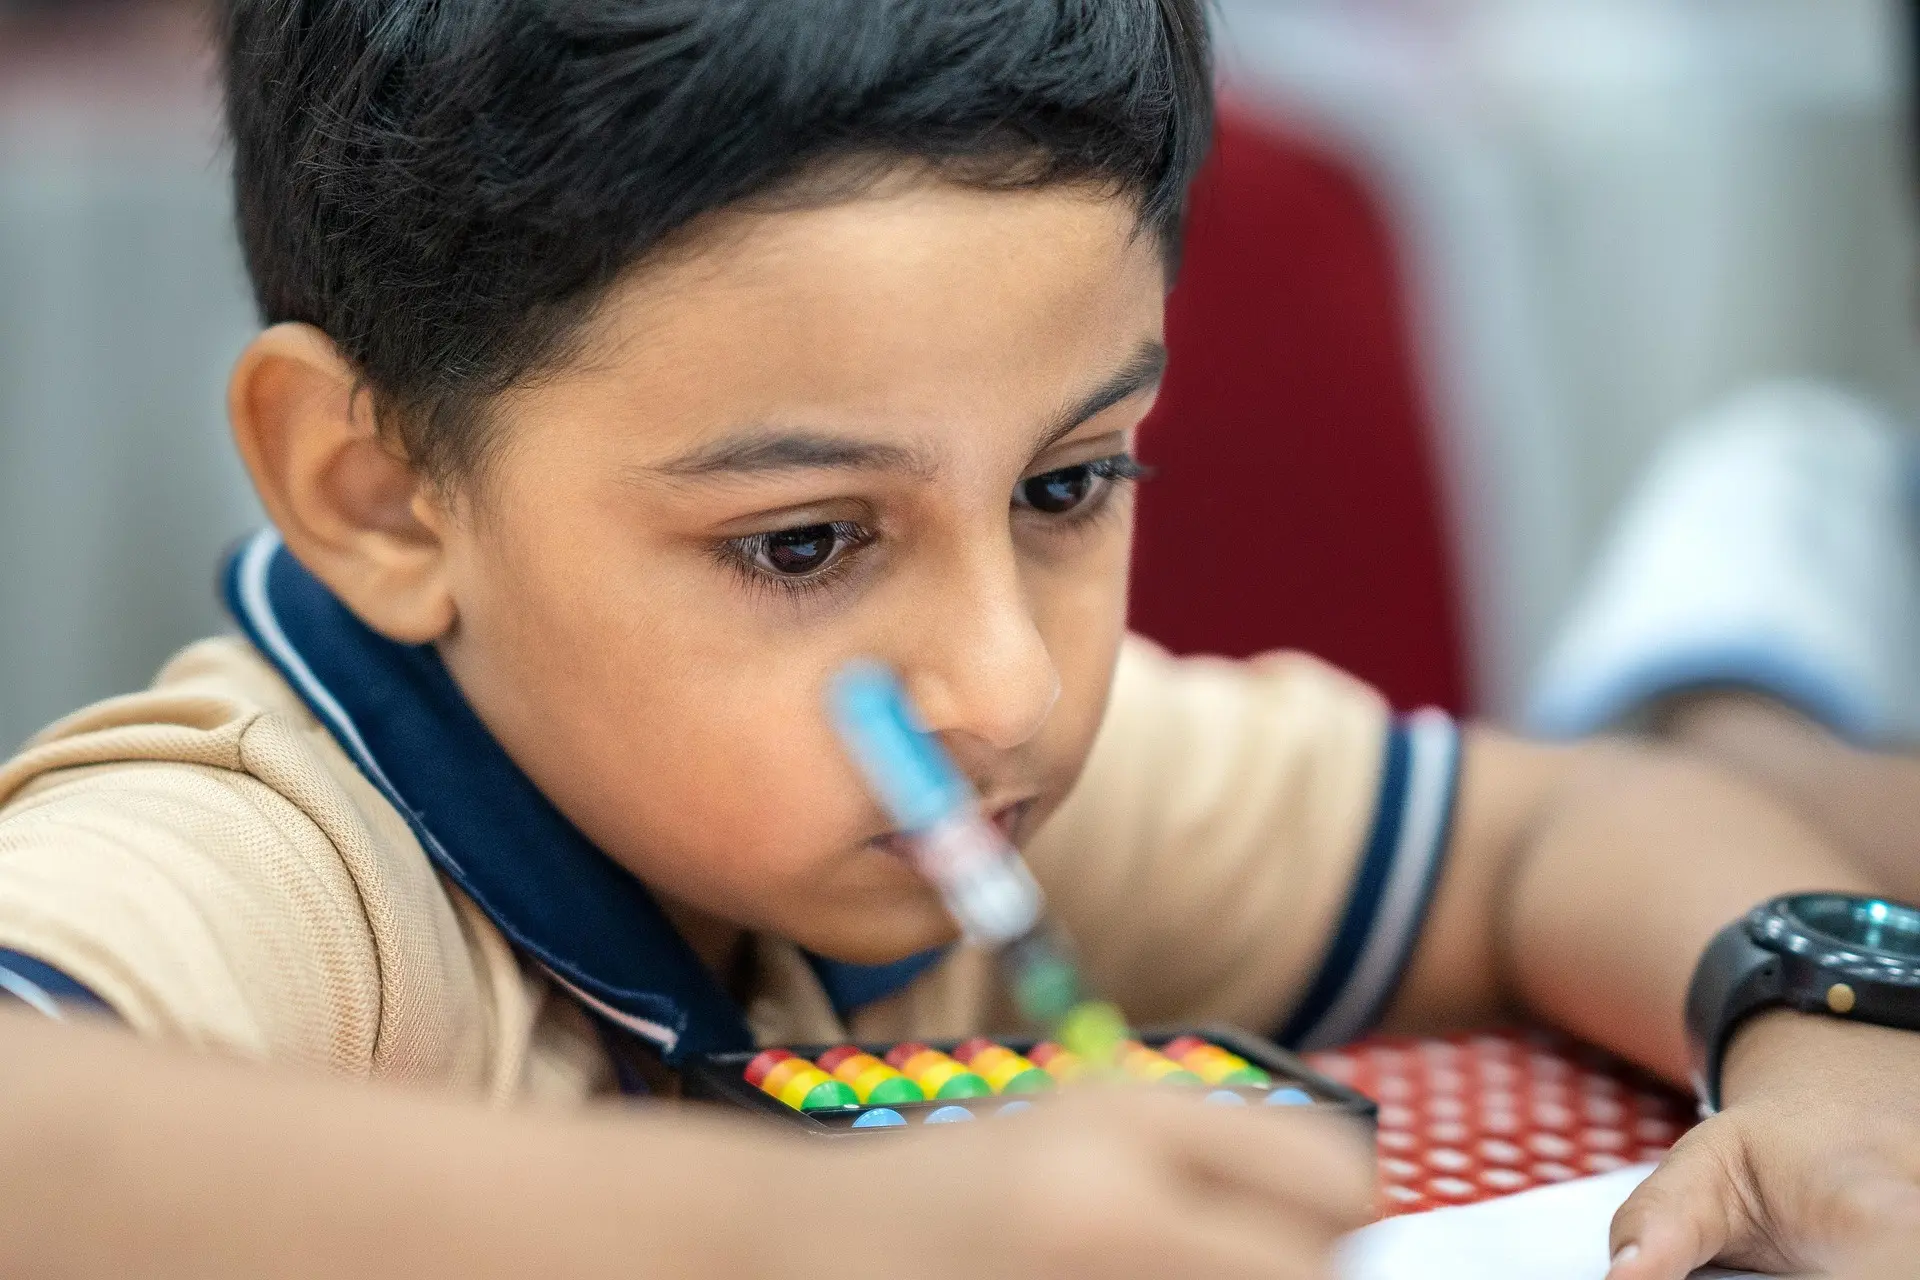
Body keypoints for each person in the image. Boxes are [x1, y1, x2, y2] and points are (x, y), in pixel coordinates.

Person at [0, 3, 1916, 1276]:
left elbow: (1557, 828)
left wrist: (1837, 1045)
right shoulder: (278, 861)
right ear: (378, 490)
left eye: (1070, 486)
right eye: (807, 540)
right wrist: (821, 1240)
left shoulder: (973, 811)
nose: (1006, 682)